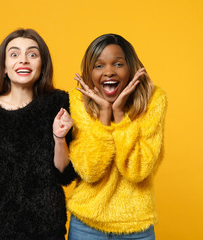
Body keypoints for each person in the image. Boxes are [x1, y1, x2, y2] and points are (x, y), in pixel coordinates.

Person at [0, 28, 76, 240]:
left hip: (46, 228)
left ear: (42, 65)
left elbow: (65, 174)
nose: (23, 60)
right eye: (14, 54)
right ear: (4, 67)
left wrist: (59, 138)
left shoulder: (59, 104)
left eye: (32, 54)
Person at [66, 34, 168, 240]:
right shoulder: (78, 100)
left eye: (118, 64)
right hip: (87, 224)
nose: (109, 72)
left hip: (136, 227)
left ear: (130, 67)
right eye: (99, 66)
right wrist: (105, 115)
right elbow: (89, 171)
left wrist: (119, 115)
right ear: (89, 71)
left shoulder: (153, 100)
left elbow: (138, 170)